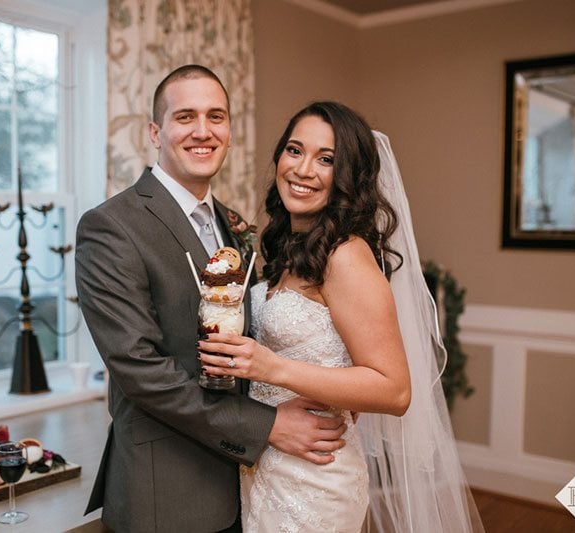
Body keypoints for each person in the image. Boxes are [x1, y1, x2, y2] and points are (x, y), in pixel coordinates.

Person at [75, 67, 347, 532]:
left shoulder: (234, 224)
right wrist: (268, 425)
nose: (203, 131)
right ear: (155, 132)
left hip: (249, 484)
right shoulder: (111, 226)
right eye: (186, 117)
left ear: (229, 131)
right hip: (168, 493)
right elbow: (142, 372)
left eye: (215, 116)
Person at [200, 101, 484, 532]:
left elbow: (394, 390)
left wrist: (272, 367)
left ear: (348, 176)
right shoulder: (288, 246)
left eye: (326, 159)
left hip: (316, 478)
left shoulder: (345, 255)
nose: (303, 169)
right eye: (295, 151)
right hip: (269, 464)